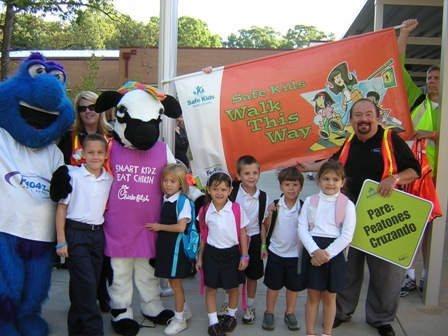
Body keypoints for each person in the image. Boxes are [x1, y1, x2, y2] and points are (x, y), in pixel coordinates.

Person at [297, 98, 421, 336]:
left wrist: (393, 179)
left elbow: (414, 169)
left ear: (377, 117)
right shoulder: (350, 142)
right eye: (358, 115)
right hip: (346, 217)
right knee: (348, 269)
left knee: (384, 274)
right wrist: (309, 167)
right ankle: (341, 312)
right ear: (351, 120)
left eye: (368, 115)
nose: (363, 119)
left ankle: (382, 319)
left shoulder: (390, 140)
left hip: (381, 219)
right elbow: (333, 163)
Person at [57, 90, 114, 313]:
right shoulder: (68, 137)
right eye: (82, 108)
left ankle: (102, 294)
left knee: (101, 260)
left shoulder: (112, 135)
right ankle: (80, 307)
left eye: (92, 107)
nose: (88, 111)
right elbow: (59, 167)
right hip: (76, 206)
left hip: (105, 205)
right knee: (80, 264)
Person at [398, 18, 440, 297]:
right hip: (414, 176)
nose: (431, 82)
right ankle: (410, 275)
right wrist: (404, 34)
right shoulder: (416, 101)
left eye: (436, 78)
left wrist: (434, 135)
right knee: (411, 225)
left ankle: (426, 275)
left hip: (438, 179)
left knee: (433, 232)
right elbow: (398, 68)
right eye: (428, 78)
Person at [298, 161, 356, 336]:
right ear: (318, 180)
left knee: (330, 297)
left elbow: (347, 235)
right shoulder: (310, 201)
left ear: (342, 182)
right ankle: (310, 333)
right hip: (313, 249)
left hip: (334, 253)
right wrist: (315, 251)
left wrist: (326, 254)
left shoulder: (347, 205)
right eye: (326, 179)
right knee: (313, 295)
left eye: (335, 179)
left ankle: (326, 333)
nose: (330, 183)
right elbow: (302, 228)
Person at [217, 155, 269, 324]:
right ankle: (227, 303)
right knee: (231, 273)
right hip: (233, 240)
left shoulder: (263, 197)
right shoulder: (232, 193)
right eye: (246, 173)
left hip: (253, 239)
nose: (251, 177)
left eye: (255, 172)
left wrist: (263, 245)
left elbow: (263, 224)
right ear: (238, 176)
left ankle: (250, 306)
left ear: (259, 174)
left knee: (252, 275)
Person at [196, 172, 249, 336]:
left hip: (232, 254)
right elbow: (203, 237)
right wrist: (199, 258)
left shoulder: (236, 209)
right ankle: (213, 322)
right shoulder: (205, 210)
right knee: (211, 288)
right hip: (211, 254)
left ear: (230, 191)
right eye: (215, 189)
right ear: (208, 190)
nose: (219, 193)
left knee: (232, 288)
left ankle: (231, 316)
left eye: (223, 189)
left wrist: (244, 256)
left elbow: (242, 233)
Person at [146, 163, 193, 335]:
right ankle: (185, 310)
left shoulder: (182, 202)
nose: (168, 184)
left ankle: (180, 319)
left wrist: (160, 227)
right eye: (165, 180)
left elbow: (181, 227)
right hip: (166, 247)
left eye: (173, 181)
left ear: (181, 183)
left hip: (176, 250)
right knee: (174, 283)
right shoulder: (165, 199)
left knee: (176, 284)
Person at [262, 166, 304, 332]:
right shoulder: (274, 206)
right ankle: (269, 312)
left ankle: (290, 312)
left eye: (295, 184)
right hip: (276, 253)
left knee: (293, 287)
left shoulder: (304, 208)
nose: (291, 188)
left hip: (295, 255)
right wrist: (264, 246)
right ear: (281, 187)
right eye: (287, 184)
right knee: (273, 286)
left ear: (301, 186)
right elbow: (265, 226)